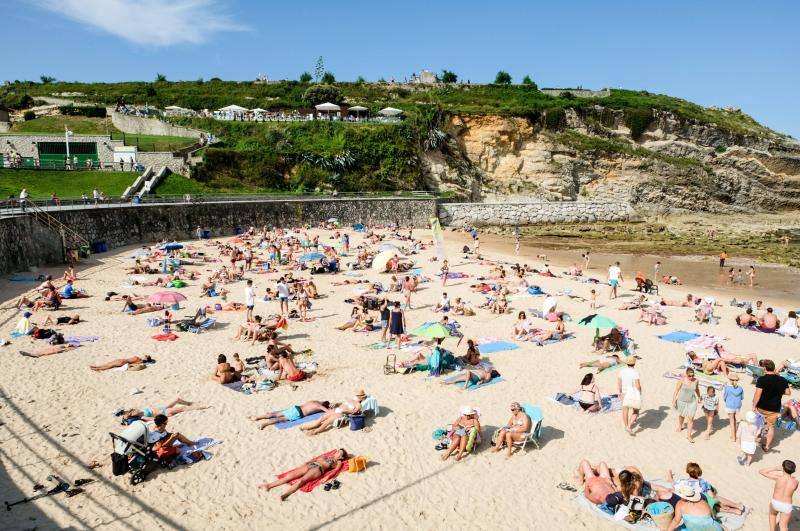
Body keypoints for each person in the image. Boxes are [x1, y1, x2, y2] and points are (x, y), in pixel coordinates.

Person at [258, 448, 349, 501]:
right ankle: (268, 486)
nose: (337, 452)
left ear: (341, 457)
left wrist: (327, 477)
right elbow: (315, 459)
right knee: (289, 476)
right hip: (310, 465)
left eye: (339, 453)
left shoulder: (338, 462)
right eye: (337, 451)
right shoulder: (328, 456)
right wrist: (307, 462)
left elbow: (335, 471)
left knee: (301, 481)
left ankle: (284, 495)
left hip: (318, 469)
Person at [753, 359, 791, 452]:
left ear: (765, 368)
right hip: (774, 408)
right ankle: (767, 446)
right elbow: (788, 392)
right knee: (771, 427)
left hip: (762, 407)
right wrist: (778, 390)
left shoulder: (761, 379)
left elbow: (757, 394)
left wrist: (754, 405)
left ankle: (758, 439)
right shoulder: (782, 380)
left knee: (759, 424)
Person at [300, 391, 365, 436]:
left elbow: (354, 412)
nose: (356, 396)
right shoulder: (350, 399)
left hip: (342, 413)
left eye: (358, 396)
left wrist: (346, 411)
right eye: (356, 395)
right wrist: (337, 403)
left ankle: (316, 431)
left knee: (327, 422)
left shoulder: (358, 405)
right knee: (321, 418)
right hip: (336, 409)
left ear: (360, 398)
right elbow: (342, 403)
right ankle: (312, 426)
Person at [759, 461, 797, 531]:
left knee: (772, 515)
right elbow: (793, 490)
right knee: (783, 526)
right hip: (786, 505)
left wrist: (775, 468)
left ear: (782, 468)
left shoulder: (778, 478)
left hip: (776, 502)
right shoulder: (796, 482)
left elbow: (761, 471)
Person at [250, 400, 331, 429]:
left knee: (276, 414)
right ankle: (264, 424)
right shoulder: (319, 406)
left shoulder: (315, 401)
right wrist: (329, 409)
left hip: (295, 408)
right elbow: (328, 412)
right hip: (298, 413)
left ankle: (257, 417)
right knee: (280, 420)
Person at [672, 367, 701, 442]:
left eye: (692, 375)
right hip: (682, 401)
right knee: (682, 416)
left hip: (692, 401)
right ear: (686, 375)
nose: (691, 377)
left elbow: (697, 389)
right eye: (689, 376)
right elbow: (676, 390)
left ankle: (689, 436)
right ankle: (680, 425)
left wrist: (699, 397)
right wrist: (674, 400)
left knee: (691, 418)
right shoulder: (682, 380)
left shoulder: (696, 381)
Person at [121, 397, 208, 421]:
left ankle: (189, 403)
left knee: (177, 399)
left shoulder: (140, 411)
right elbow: (155, 419)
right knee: (182, 408)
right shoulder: (143, 417)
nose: (134, 410)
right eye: (133, 411)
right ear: (133, 414)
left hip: (163, 408)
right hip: (164, 412)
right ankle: (200, 407)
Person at [618, 357, 641, 435]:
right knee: (636, 411)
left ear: (627, 363)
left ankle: (626, 425)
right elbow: (637, 386)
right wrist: (639, 394)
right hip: (632, 392)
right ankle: (629, 426)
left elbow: (619, 383)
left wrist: (620, 392)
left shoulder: (621, 371)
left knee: (625, 410)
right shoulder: (635, 372)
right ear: (634, 363)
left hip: (624, 392)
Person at [723, 373, 744, 441]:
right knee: (734, 419)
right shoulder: (740, 388)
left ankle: (733, 437)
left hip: (730, 406)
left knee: (732, 421)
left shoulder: (727, 388)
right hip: (737, 406)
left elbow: (724, 397)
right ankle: (735, 434)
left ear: (730, 380)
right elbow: (742, 398)